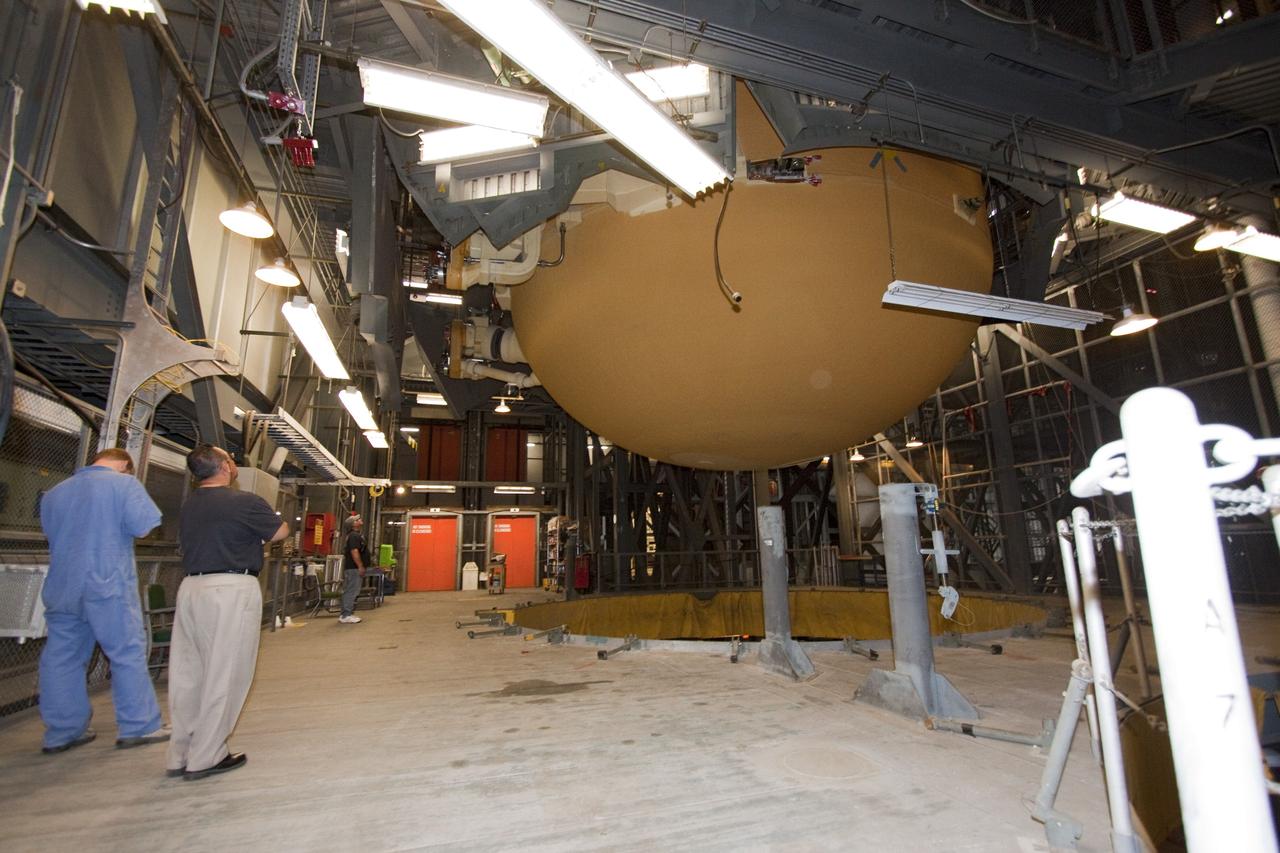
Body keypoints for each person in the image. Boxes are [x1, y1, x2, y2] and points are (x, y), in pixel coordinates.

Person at [37, 447, 169, 754]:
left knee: (61, 657)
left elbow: (51, 533)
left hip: (62, 585)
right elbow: (144, 526)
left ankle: (63, 732)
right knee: (126, 652)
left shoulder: (55, 493)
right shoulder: (124, 485)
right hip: (106, 583)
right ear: (125, 466)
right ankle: (138, 725)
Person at [168, 444, 288, 781]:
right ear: (224, 466)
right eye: (230, 460)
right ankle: (207, 755)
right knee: (225, 671)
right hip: (231, 589)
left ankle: (180, 753)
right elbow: (280, 532)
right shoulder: (244, 502)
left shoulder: (190, 506)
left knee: (188, 674)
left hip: (191, 588)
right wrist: (253, 540)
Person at [339, 514, 368, 624]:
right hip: (353, 568)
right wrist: (360, 566)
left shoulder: (356, 535)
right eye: (358, 519)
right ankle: (346, 615)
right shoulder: (353, 536)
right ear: (354, 524)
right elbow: (354, 551)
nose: (360, 520)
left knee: (352, 590)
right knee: (351, 591)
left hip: (353, 568)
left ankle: (346, 614)